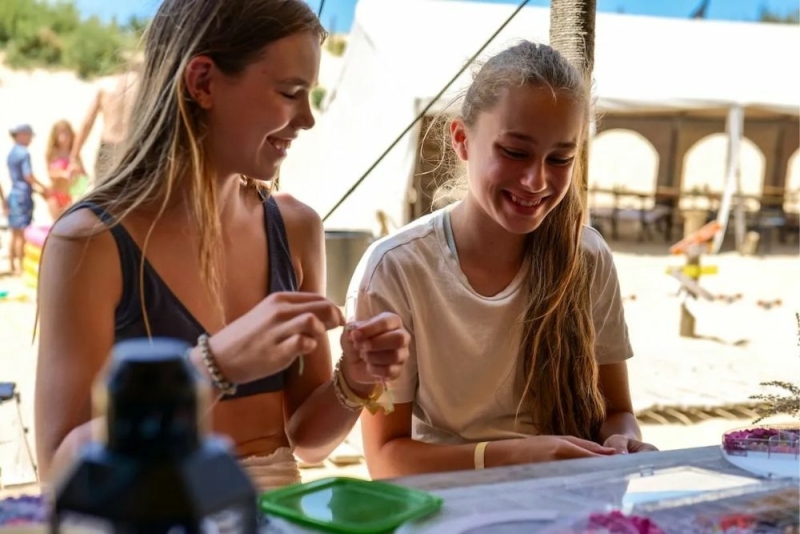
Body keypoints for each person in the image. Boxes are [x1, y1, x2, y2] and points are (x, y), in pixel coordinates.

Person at [35, 0, 409, 491]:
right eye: (291, 93)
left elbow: (306, 444)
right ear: (204, 82)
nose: (308, 119)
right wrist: (212, 367)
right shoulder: (91, 242)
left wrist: (354, 380)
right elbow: (60, 471)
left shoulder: (294, 227)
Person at [350, 41, 657, 479]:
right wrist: (515, 455)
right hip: (449, 507)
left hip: (568, 499)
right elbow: (386, 460)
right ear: (462, 140)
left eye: (560, 159)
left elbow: (618, 412)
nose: (536, 180)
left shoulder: (585, 256)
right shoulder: (397, 268)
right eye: (515, 152)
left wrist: (621, 440)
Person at [68, 59, 141, 183]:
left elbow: (87, 122)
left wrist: (74, 155)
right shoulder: (143, 87)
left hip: (107, 146)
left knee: (103, 193)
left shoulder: (107, 86)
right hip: (131, 147)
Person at [6, 124, 49, 275]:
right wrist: (43, 187)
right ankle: (21, 268)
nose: (30, 139)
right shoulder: (24, 153)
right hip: (23, 196)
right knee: (23, 232)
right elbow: (28, 176)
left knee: (14, 231)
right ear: (22, 135)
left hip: (13, 194)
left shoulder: (11, 153)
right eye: (29, 135)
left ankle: (12, 265)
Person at [45, 120, 83, 220]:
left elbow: (84, 176)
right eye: (60, 134)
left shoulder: (74, 154)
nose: (63, 137)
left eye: (66, 133)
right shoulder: (51, 153)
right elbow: (49, 174)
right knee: (56, 226)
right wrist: (63, 173)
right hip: (55, 194)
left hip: (71, 194)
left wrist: (77, 171)